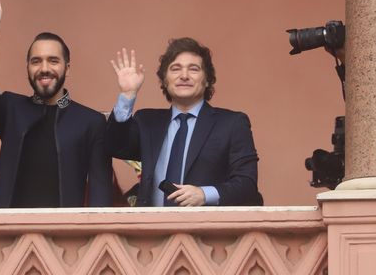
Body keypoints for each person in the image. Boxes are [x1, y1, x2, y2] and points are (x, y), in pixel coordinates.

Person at [0, 0, 112, 208]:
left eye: (53, 61)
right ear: (27, 67)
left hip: (63, 237)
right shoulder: (12, 109)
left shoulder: (91, 122)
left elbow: (100, 190)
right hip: (6, 236)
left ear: (68, 67)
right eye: (36, 61)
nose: (44, 68)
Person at [106, 38, 263, 206]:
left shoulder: (232, 124)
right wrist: (128, 95)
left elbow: (247, 185)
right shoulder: (147, 121)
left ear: (207, 79)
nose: (184, 76)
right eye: (175, 69)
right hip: (152, 229)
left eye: (194, 69)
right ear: (165, 80)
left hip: (206, 228)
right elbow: (115, 146)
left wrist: (204, 194)